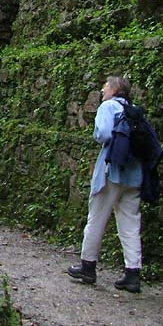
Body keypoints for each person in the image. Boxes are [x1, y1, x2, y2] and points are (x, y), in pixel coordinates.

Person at [68, 75, 144, 293]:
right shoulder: (134, 109)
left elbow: (102, 134)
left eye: (105, 87)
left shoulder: (108, 106)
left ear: (114, 90)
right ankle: (132, 274)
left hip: (111, 171)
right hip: (134, 174)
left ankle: (88, 266)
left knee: (97, 217)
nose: (102, 91)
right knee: (130, 223)